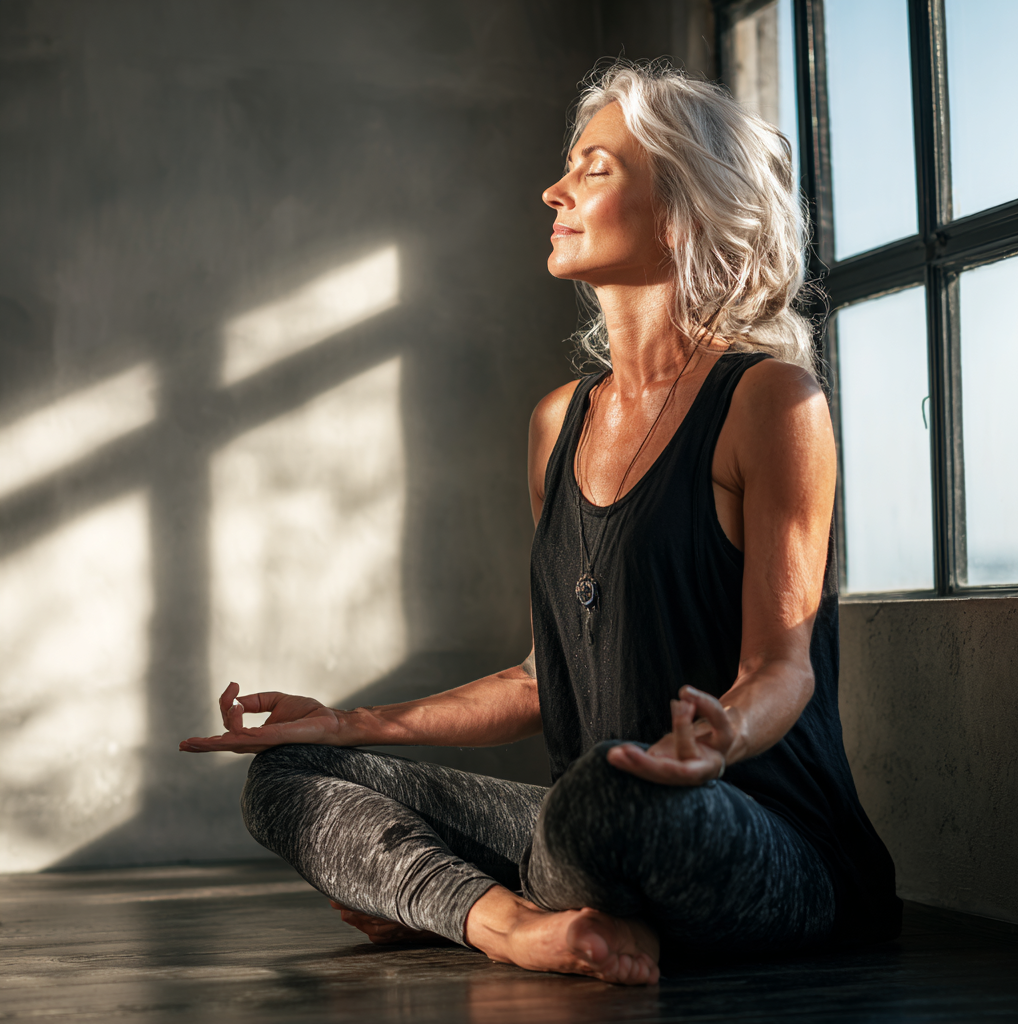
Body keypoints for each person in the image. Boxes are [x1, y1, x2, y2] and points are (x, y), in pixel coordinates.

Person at [180, 63, 900, 986]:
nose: (553, 191)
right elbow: (540, 677)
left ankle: (440, 897)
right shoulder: (558, 422)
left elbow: (781, 667)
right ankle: (514, 925)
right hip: (582, 827)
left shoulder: (771, 402)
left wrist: (715, 738)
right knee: (292, 774)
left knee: (604, 791)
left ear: (680, 207)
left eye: (593, 169)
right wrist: (346, 720)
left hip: (745, 835)